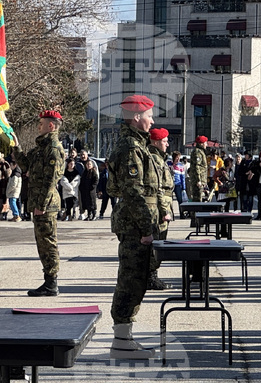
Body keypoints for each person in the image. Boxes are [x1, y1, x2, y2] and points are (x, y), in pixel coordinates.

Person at [107, 95, 161, 359]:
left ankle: (124, 339)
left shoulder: (136, 145)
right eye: (149, 116)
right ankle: (121, 343)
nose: (152, 121)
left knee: (136, 280)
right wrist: (146, 228)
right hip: (134, 226)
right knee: (130, 281)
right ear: (137, 117)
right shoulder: (131, 147)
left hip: (135, 223)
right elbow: (133, 192)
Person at [14, 110, 65, 297]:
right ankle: (48, 281)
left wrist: (41, 205)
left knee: (48, 243)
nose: (39, 126)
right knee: (42, 242)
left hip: (46, 205)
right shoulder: (41, 148)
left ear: (51, 126)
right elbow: (26, 166)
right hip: (39, 202)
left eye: (41, 123)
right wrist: (16, 147)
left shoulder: (53, 148)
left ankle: (51, 283)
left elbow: (51, 181)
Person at [147, 127, 173, 290]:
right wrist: (164, 210)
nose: (167, 144)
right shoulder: (155, 160)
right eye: (164, 141)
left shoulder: (159, 158)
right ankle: (151, 277)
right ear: (156, 142)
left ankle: (151, 276)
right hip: (158, 209)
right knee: (157, 244)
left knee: (157, 242)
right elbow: (158, 188)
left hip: (160, 206)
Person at [188, 136, 209, 201]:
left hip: (201, 180)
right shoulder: (197, 152)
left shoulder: (201, 152)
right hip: (198, 181)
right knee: (198, 199)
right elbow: (197, 167)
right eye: (205, 143)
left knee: (201, 198)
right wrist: (198, 180)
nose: (206, 145)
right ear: (201, 144)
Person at [79, 151, 99, 220]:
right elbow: (82, 180)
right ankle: (89, 215)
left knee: (92, 202)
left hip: (91, 190)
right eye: (87, 164)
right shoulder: (85, 172)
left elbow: (96, 180)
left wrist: (93, 187)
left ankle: (94, 215)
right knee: (87, 203)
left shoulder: (93, 172)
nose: (88, 165)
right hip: (85, 190)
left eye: (90, 164)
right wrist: (81, 187)